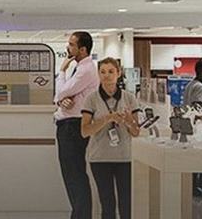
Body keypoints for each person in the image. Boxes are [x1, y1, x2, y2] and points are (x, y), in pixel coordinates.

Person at [81, 57, 141, 219]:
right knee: (107, 204)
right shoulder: (91, 99)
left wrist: (129, 121)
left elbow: (136, 132)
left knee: (126, 204)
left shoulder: (129, 98)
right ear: (98, 74)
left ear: (118, 73)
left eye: (111, 71)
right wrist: (107, 118)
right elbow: (85, 131)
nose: (107, 76)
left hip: (125, 158)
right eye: (102, 72)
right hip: (100, 158)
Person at [54, 31, 99, 219]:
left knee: (75, 175)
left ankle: (82, 215)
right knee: (71, 175)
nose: (68, 47)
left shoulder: (86, 70)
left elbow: (62, 91)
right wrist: (60, 100)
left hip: (73, 126)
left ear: (83, 49)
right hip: (68, 125)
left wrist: (62, 71)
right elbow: (61, 96)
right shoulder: (79, 67)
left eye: (71, 44)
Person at [182, 59, 202, 198]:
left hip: (189, 124)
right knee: (201, 158)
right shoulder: (200, 87)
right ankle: (197, 184)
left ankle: (195, 185)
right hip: (198, 127)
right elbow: (198, 106)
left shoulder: (190, 84)